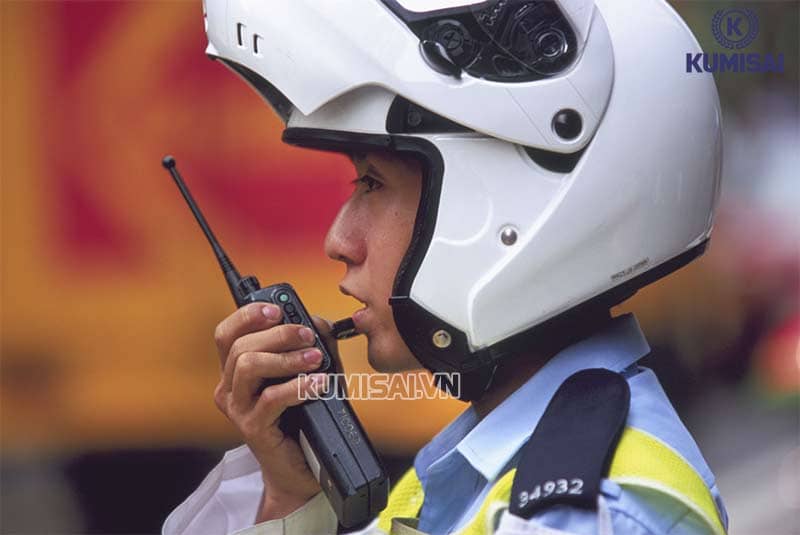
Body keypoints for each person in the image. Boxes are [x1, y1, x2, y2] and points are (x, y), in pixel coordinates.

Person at [164, 0, 728, 533]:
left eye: (372, 182)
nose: (338, 241)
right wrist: (291, 493)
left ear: (516, 203)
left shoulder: (571, 516)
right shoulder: (482, 473)